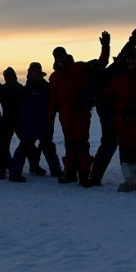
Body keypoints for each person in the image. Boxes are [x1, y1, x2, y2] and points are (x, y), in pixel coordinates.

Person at [87, 26, 136, 187]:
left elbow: (124, 53)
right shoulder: (92, 81)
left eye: (99, 65)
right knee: (111, 141)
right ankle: (96, 177)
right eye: (95, 67)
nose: (99, 66)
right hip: (108, 112)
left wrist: (134, 38)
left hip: (123, 110)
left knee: (131, 142)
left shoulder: (110, 72)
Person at [48, 34, 109, 186]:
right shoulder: (54, 77)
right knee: (70, 144)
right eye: (57, 56)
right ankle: (70, 172)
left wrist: (105, 47)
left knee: (82, 143)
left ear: (66, 55)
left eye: (61, 55)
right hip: (65, 116)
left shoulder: (81, 67)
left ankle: (83, 173)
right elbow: (53, 100)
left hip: (81, 113)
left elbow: (102, 63)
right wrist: (49, 117)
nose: (60, 58)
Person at [102, 46, 136, 193]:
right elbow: (108, 94)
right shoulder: (118, 78)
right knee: (125, 150)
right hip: (121, 121)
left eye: (133, 58)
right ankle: (130, 180)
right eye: (128, 58)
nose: (131, 61)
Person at [8, 62, 62, 182]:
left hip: (45, 123)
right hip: (29, 125)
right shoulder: (25, 90)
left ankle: (56, 171)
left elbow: (55, 103)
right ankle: (14, 174)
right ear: (29, 73)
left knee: (48, 147)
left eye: (37, 72)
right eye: (32, 72)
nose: (34, 74)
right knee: (24, 147)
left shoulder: (47, 88)